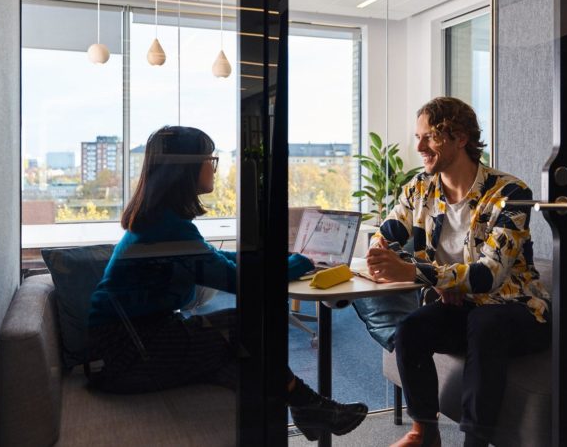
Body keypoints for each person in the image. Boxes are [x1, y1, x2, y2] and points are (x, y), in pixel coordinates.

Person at [87, 125, 367, 441]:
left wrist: (275, 257)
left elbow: (221, 259)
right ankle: (306, 406)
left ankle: (298, 411)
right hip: (124, 353)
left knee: (240, 353)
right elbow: (236, 280)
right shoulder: (168, 228)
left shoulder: (162, 219)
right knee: (243, 329)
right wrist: (299, 262)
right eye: (210, 158)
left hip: (123, 344)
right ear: (187, 167)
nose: (214, 167)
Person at [364, 98, 551, 447]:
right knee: (411, 329)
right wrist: (388, 256)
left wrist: (425, 275)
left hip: (519, 312)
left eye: (429, 137)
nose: (418, 147)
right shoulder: (420, 188)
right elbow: (383, 236)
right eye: (417, 137)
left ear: (460, 138)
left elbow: (487, 277)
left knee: (486, 323)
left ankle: (475, 443)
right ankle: (424, 433)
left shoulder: (511, 194)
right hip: (464, 307)